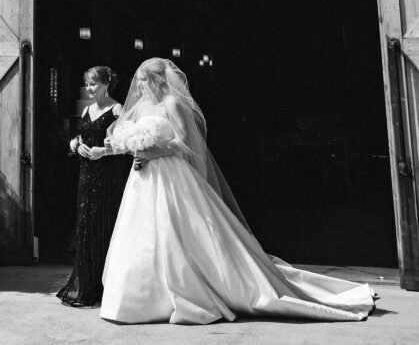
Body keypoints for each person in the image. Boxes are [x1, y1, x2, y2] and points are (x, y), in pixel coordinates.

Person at [101, 58, 375, 325]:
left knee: (181, 231)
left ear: (160, 80)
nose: (141, 87)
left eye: (146, 80)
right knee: (142, 231)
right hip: (144, 178)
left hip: (172, 175)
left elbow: (186, 143)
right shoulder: (143, 106)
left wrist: (154, 150)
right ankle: (140, 296)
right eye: (139, 82)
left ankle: (192, 288)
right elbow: (123, 136)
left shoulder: (173, 103)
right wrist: (119, 148)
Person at [57, 66, 130, 307]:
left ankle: (104, 287)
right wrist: (77, 146)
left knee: (103, 224)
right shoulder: (87, 109)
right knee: (85, 226)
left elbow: (125, 146)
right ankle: (84, 284)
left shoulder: (117, 109)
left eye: (93, 84)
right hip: (86, 175)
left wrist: (104, 151)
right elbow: (78, 137)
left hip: (108, 176)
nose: (89, 88)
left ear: (106, 85)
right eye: (87, 84)